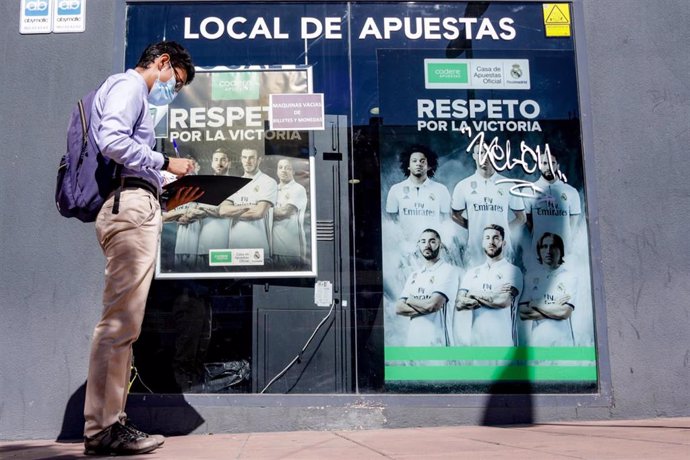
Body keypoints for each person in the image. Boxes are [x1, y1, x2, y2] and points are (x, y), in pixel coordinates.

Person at [84, 41, 200, 456]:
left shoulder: (131, 92)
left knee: (124, 324)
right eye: (177, 82)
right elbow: (111, 140)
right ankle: (103, 429)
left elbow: (124, 153)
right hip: (129, 208)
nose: (173, 90)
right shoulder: (130, 85)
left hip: (135, 203)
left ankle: (108, 423)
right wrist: (166, 163)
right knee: (119, 325)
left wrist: (167, 187)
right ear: (163, 63)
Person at [451, 144, 526, 265]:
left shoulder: (509, 185)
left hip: (502, 250)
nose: (484, 157)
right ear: (474, 156)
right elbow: (455, 215)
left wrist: (503, 231)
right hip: (475, 250)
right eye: (480, 153)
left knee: (503, 284)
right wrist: (474, 227)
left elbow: (521, 218)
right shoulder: (463, 185)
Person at [456, 224, 523, 346]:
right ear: (482, 242)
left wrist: (473, 293)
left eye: (496, 238)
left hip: (503, 344)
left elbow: (503, 302)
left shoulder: (513, 271)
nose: (491, 242)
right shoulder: (472, 273)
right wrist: (493, 295)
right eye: (487, 238)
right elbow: (459, 303)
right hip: (477, 344)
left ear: (503, 243)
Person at [395, 229, 459, 346]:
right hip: (413, 345)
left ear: (440, 245)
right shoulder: (414, 275)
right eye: (423, 241)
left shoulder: (448, 270)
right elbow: (399, 308)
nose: (427, 245)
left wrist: (410, 300)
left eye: (432, 241)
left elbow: (433, 305)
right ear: (418, 245)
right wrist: (425, 306)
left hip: (437, 345)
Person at [519, 232, 577, 346]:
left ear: (560, 251)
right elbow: (523, 313)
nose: (548, 251)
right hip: (538, 342)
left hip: (563, 343)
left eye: (553, 246)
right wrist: (554, 308)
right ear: (539, 251)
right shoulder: (530, 277)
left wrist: (535, 304)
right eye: (544, 246)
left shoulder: (569, 277)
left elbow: (564, 312)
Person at [219, 147, 278, 258]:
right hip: (234, 247)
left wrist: (233, 211)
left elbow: (258, 213)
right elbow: (222, 211)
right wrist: (249, 207)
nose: (248, 161)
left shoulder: (268, 182)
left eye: (252, 157)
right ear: (241, 159)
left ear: (259, 160)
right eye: (245, 157)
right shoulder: (234, 184)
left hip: (258, 249)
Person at [385, 144, 451, 241]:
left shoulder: (441, 190)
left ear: (429, 166)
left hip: (431, 245)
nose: (418, 164)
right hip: (405, 246)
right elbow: (392, 220)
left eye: (422, 161)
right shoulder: (396, 189)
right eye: (414, 161)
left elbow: (446, 220)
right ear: (408, 165)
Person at [523, 151, 581, 257]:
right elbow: (526, 219)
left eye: (552, 163)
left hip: (564, 253)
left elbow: (572, 223)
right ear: (540, 165)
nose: (549, 166)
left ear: (557, 166)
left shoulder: (571, 192)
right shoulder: (528, 191)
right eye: (545, 163)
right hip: (538, 253)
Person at [195, 148, 232, 269]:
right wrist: (219, 210)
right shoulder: (205, 184)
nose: (219, 162)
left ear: (229, 163)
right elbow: (198, 209)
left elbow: (226, 211)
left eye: (223, 159)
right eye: (216, 159)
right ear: (211, 163)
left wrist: (215, 210)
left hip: (229, 244)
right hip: (205, 241)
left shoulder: (236, 184)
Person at [272, 158, 309, 269]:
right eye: (280, 167)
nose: (283, 170)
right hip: (272, 249)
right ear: (277, 171)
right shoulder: (273, 189)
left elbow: (284, 212)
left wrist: (261, 211)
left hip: (289, 249)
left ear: (293, 172)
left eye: (287, 168)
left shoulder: (298, 189)